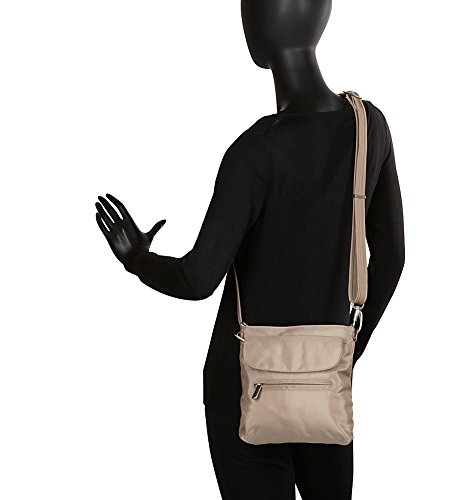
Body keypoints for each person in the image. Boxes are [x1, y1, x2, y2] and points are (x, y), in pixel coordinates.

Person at [95, 1, 405, 498]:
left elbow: (198, 279)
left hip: (242, 388)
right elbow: (390, 259)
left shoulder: (257, 151)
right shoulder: (369, 126)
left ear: (257, 26)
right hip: (325, 381)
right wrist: (345, 354)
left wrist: (138, 260)